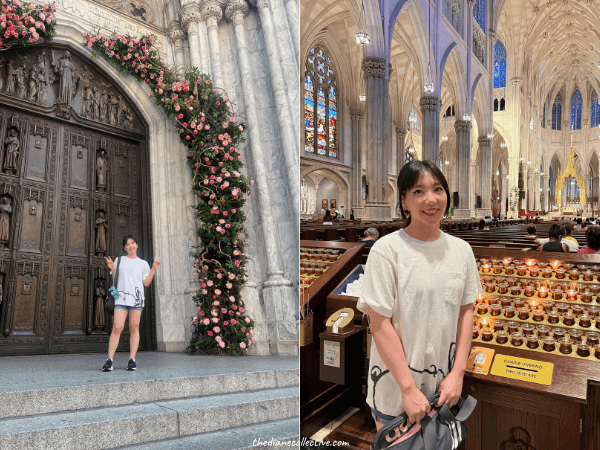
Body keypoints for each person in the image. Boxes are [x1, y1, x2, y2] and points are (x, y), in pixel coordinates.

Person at [357, 160, 480, 430]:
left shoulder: (462, 250)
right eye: (418, 192)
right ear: (404, 201)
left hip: (444, 390)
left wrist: (458, 374)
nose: (431, 199)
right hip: (397, 392)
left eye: (438, 189)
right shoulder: (386, 250)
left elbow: (466, 312)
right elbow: (379, 324)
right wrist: (409, 389)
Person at [102, 236, 160, 372]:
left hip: (136, 299)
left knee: (134, 327)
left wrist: (153, 269)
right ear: (125, 248)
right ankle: (109, 360)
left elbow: (146, 283)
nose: (131, 246)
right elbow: (116, 278)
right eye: (127, 244)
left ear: (137, 245)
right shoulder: (119, 260)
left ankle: (132, 360)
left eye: (133, 243)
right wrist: (112, 268)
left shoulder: (143, 263)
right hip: (121, 298)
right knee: (117, 327)